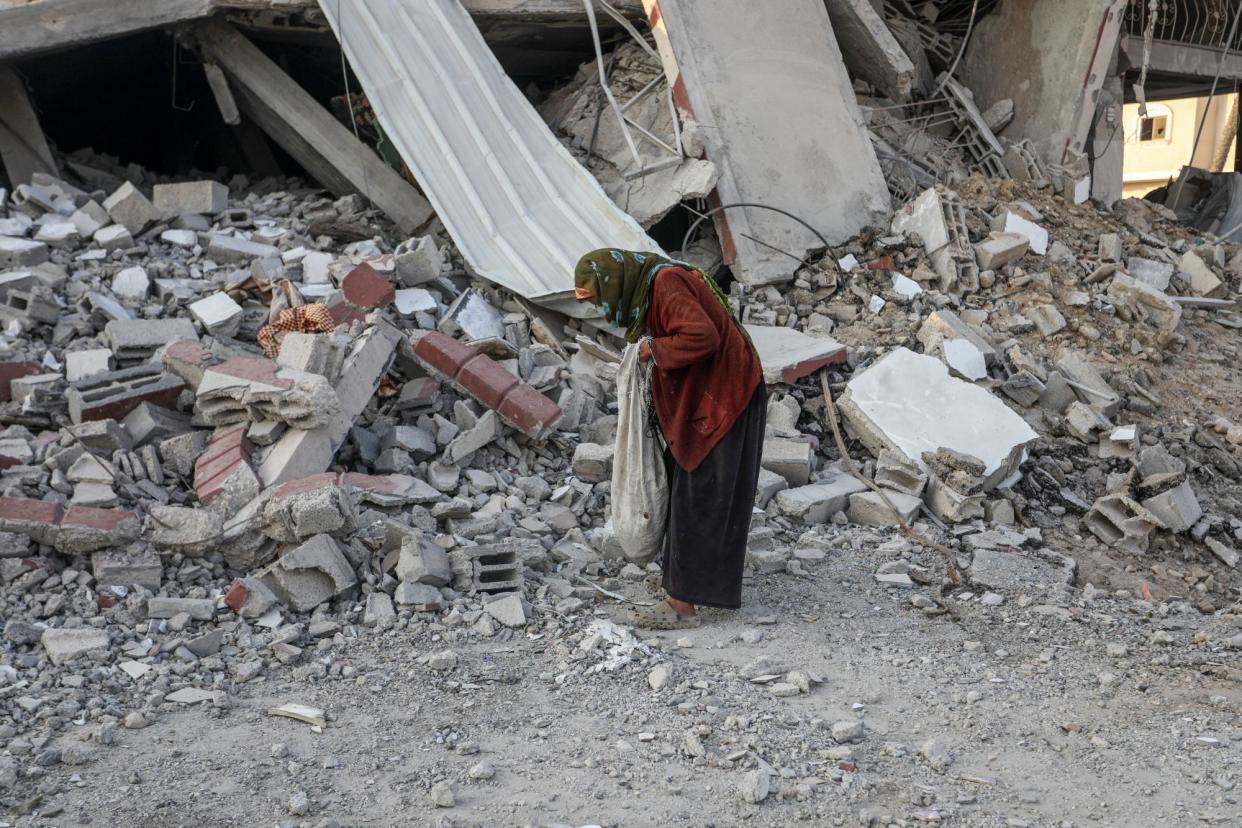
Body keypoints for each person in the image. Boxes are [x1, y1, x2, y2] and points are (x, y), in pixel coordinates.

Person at [574, 249, 766, 629]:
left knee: (700, 494)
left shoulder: (665, 283)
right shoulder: (650, 288)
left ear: (616, 282)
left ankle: (682, 604)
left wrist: (652, 349)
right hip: (718, 392)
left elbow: (702, 336)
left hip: (726, 397)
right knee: (693, 490)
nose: (601, 310)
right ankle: (687, 587)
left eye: (599, 298)